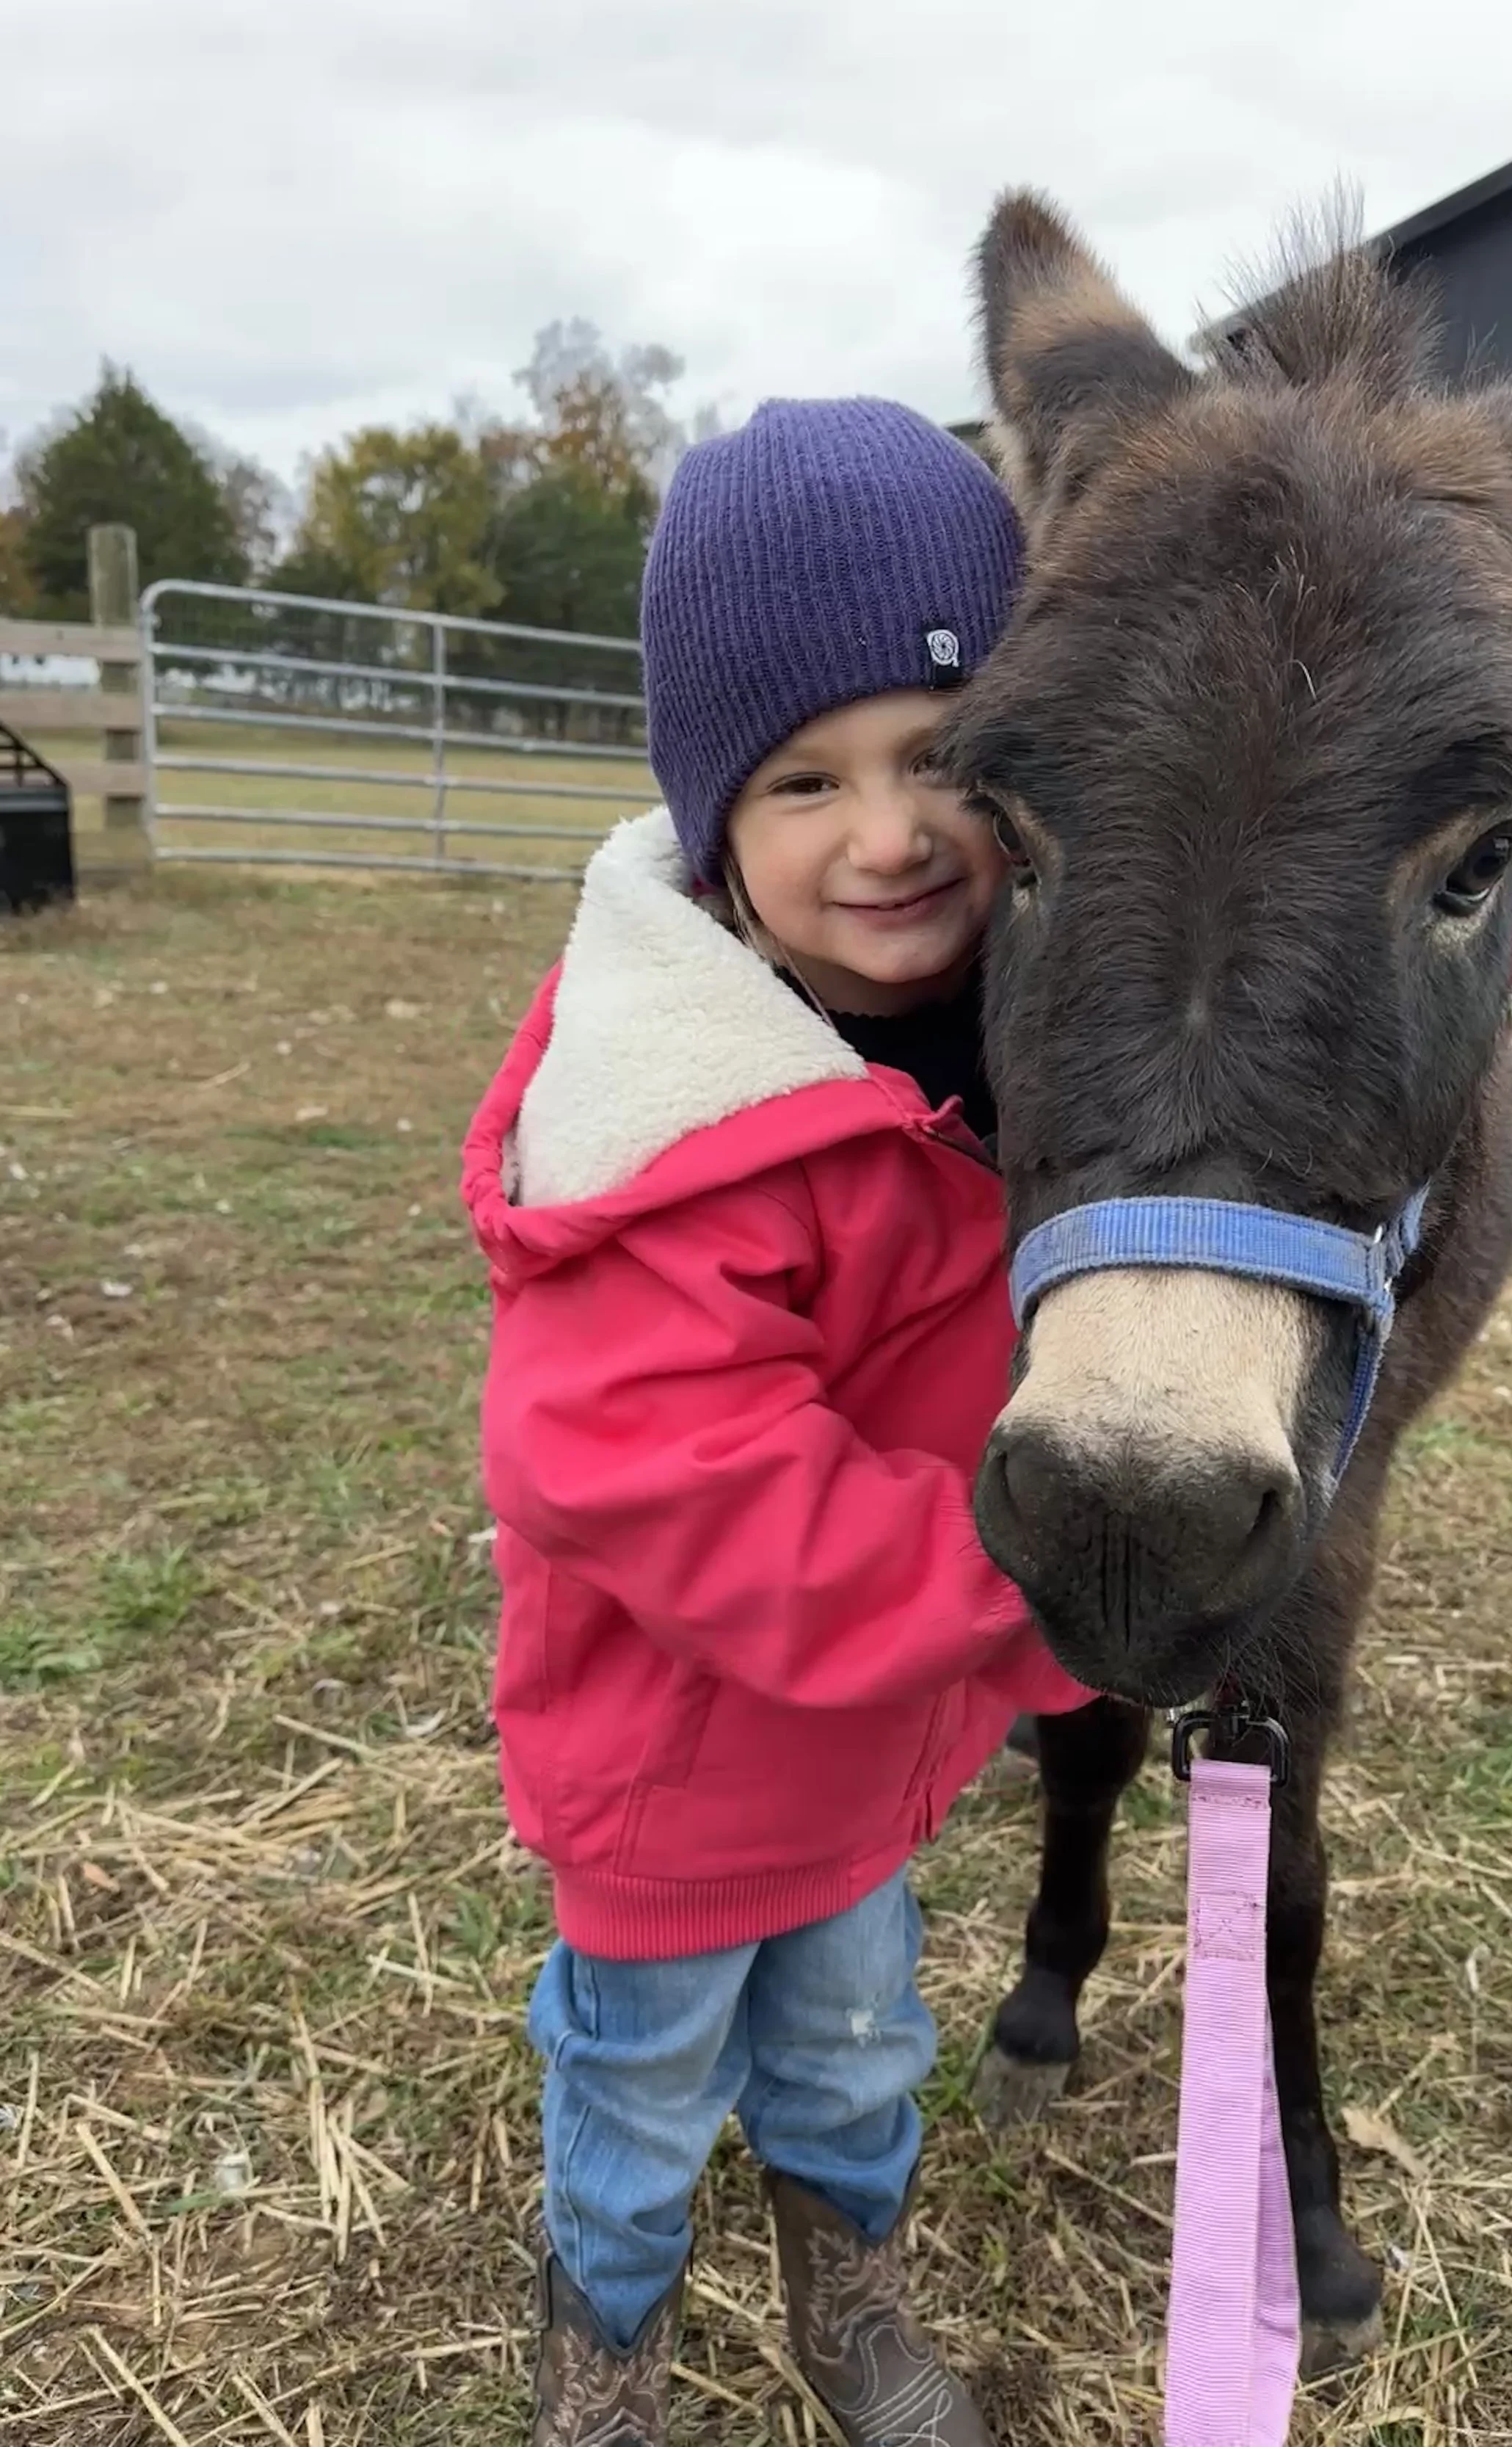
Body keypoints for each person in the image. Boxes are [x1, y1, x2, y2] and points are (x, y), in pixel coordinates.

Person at [461, 397, 1092, 2447]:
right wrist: (1031, 1585)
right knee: (637, 2090)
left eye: (939, 761)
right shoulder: (686, 1120)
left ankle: (852, 2303)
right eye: (806, 778)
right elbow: (648, 1462)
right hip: (671, 1773)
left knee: (849, 2051)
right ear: (713, 827)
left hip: (873, 1750)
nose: (888, 831)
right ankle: (606, 2362)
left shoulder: (1017, 1044)